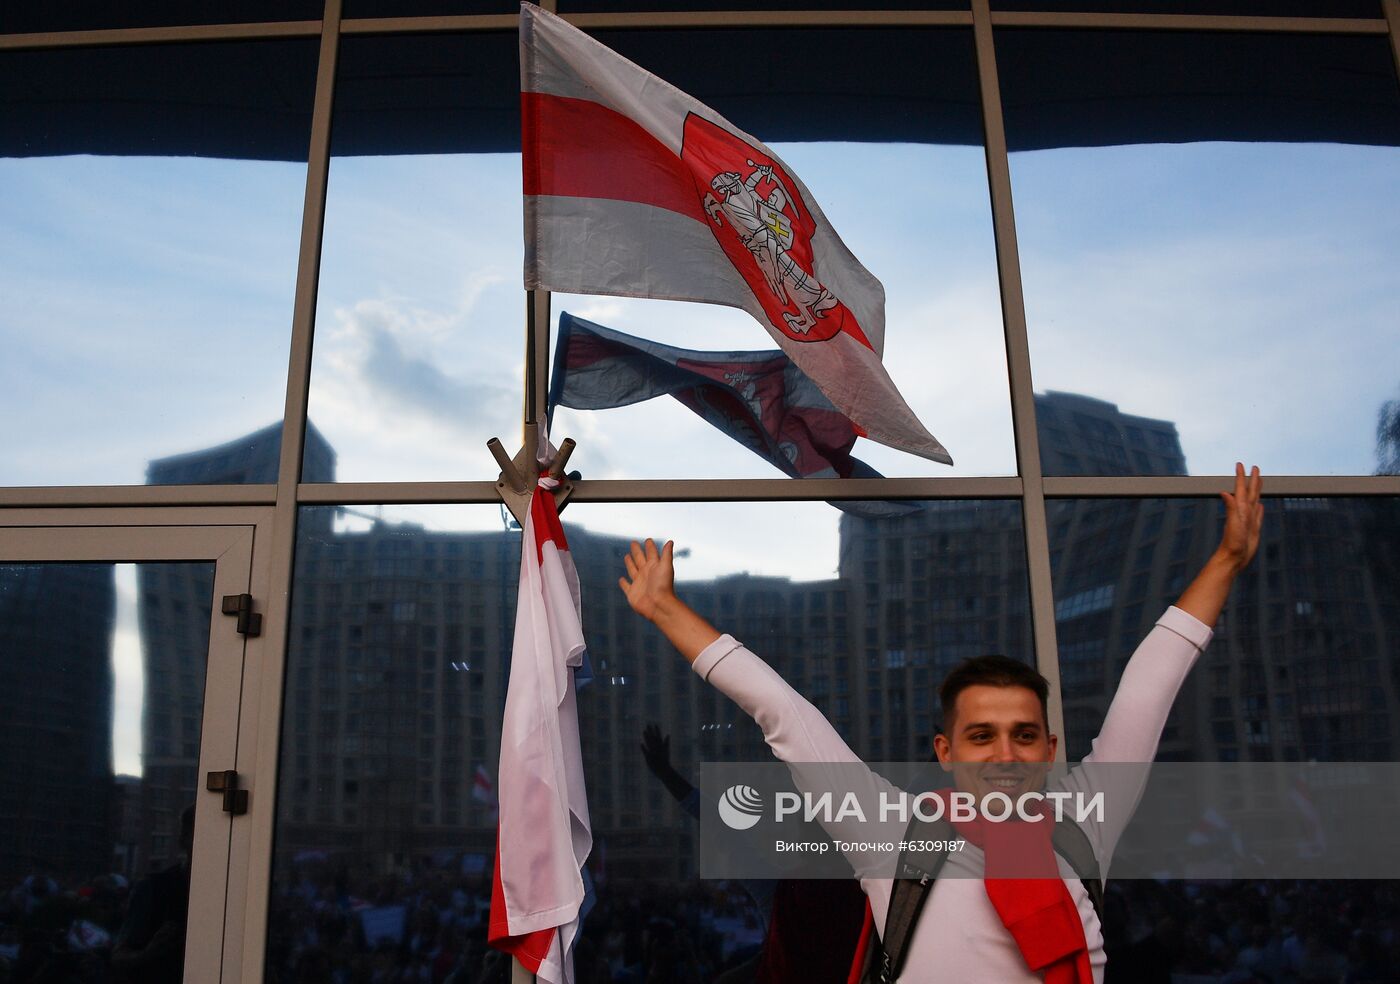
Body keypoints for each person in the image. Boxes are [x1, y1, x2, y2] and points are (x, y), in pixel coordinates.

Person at [618, 464, 1265, 983]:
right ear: (946, 751)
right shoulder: (890, 831)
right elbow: (785, 714)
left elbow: (1149, 688)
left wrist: (1229, 559)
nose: (1005, 754)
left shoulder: (1084, 819)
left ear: (1049, 749)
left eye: (1024, 734)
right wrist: (666, 610)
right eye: (981, 736)